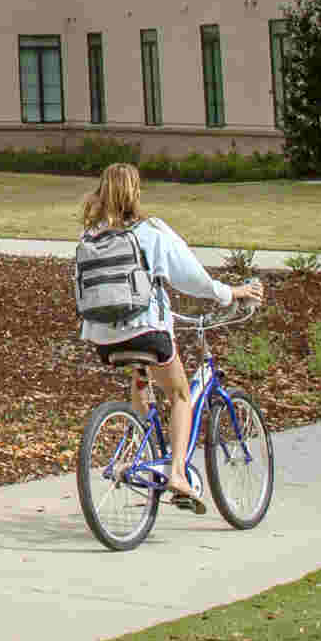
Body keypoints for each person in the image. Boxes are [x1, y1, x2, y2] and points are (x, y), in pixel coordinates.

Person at [71, 162, 260, 512]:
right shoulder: (151, 231)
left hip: (101, 336)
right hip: (147, 331)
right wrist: (230, 292)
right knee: (180, 393)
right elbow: (193, 279)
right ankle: (177, 474)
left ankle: (138, 449)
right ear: (136, 192)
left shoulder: (90, 237)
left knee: (140, 375)